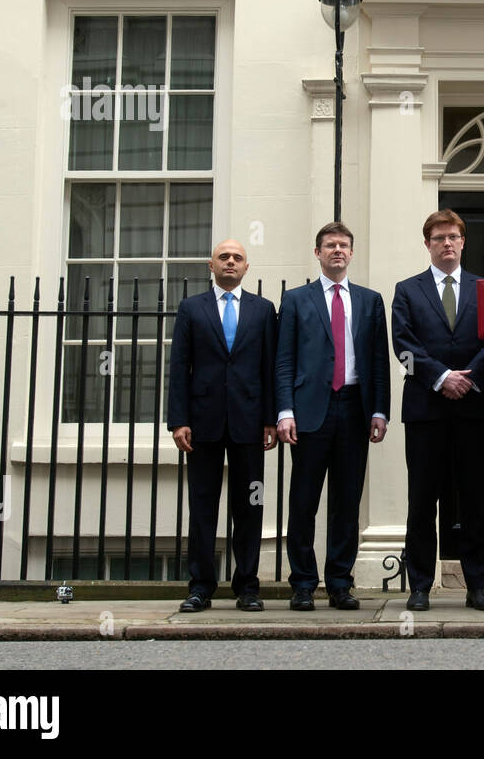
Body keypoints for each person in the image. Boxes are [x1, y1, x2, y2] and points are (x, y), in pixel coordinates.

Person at [391, 209, 484, 612]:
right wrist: (441, 378)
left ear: (463, 241)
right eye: (439, 237)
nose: (447, 243)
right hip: (426, 410)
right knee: (422, 500)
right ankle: (420, 584)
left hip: (473, 409)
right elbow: (403, 344)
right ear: (427, 244)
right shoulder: (407, 290)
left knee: (475, 499)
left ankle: (478, 586)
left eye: (454, 236)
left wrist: (467, 379)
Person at [276, 221, 390, 611]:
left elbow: (378, 362)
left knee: (346, 502)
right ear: (318, 253)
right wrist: (284, 410)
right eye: (329, 245)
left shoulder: (371, 300)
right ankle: (304, 583)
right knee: (304, 501)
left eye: (343, 245)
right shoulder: (295, 300)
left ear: (352, 253)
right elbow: (284, 359)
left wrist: (379, 410)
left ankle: (340, 582)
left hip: (355, 408)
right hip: (310, 410)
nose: (337, 250)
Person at [166, 239, 278, 613]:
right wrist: (178, 420)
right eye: (223, 257)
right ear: (210, 265)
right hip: (202, 424)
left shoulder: (264, 310)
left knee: (250, 504)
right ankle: (200, 586)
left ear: (247, 268)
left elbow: (269, 368)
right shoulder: (191, 309)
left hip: (250, 424)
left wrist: (270, 420)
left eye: (238, 258)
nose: (230, 262)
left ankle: (247, 586)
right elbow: (180, 367)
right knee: (202, 507)